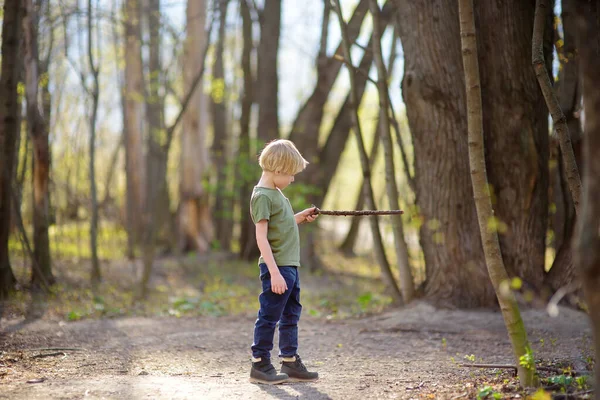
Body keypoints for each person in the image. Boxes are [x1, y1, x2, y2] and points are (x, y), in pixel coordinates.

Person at [248, 139, 320, 385]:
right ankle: (260, 364)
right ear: (278, 170)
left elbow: (282, 225)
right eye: (290, 174)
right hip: (277, 268)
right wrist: (274, 272)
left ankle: (289, 361)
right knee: (269, 315)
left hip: (290, 266)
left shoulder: (276, 194)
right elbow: (261, 237)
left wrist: (299, 216)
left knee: (291, 314)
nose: (292, 179)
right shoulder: (262, 196)